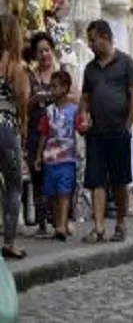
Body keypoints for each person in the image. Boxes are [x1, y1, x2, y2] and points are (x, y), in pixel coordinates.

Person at [78, 20, 133, 243]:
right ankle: (99, 225)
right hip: (96, 131)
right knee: (96, 179)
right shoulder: (90, 69)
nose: (91, 45)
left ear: (105, 37)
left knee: (119, 180)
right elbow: (85, 98)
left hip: (118, 129)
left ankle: (121, 222)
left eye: (93, 40)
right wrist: (83, 115)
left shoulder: (126, 64)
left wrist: (128, 124)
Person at [35, 71, 77, 241]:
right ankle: (59, 222)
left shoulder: (74, 110)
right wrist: (38, 156)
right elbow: (44, 134)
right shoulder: (48, 111)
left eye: (55, 86)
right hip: (50, 158)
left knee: (64, 191)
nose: (52, 90)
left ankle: (61, 225)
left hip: (68, 157)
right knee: (53, 192)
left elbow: (79, 127)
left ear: (65, 88)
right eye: (50, 86)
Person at [0, 14, 29, 259]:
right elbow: (22, 100)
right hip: (6, 126)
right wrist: (24, 124)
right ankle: (9, 240)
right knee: (13, 184)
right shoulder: (16, 67)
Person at [25, 32, 57, 236]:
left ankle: (59, 220)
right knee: (37, 175)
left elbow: (76, 96)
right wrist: (36, 99)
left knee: (56, 174)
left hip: (57, 134)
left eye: (47, 50)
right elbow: (25, 103)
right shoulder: (30, 75)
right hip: (36, 131)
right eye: (40, 51)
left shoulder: (60, 73)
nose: (44, 54)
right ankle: (41, 221)